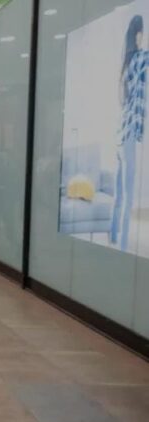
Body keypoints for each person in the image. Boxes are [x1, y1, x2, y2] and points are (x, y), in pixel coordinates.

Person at [111, 15, 147, 251]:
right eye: (143, 32)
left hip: (119, 135)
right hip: (130, 135)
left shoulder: (125, 64)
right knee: (128, 195)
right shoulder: (141, 58)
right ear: (138, 34)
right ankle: (123, 247)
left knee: (119, 194)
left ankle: (114, 237)